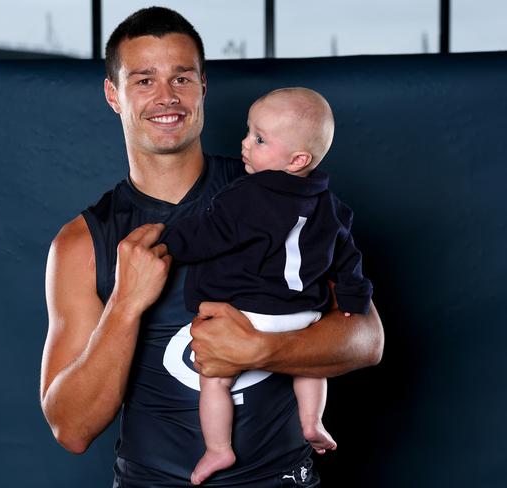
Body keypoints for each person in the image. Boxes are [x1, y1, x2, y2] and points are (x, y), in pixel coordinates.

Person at [39, 7, 383, 487]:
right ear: (113, 95)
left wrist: (261, 348)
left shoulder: (279, 192)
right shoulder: (83, 241)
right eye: (143, 81)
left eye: (181, 78)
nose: (166, 97)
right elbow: (71, 429)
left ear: (203, 86)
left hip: (278, 478)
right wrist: (124, 305)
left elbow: (367, 340)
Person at [159, 87, 373, 485]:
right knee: (309, 368)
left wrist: (168, 241)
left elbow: (209, 233)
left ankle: (218, 449)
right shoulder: (334, 207)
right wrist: (352, 301)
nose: (245, 143)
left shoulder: (247, 194)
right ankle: (312, 422)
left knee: (215, 380)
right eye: (248, 132)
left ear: (297, 160)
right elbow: (349, 263)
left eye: (259, 139)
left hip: (249, 315)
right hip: (304, 317)